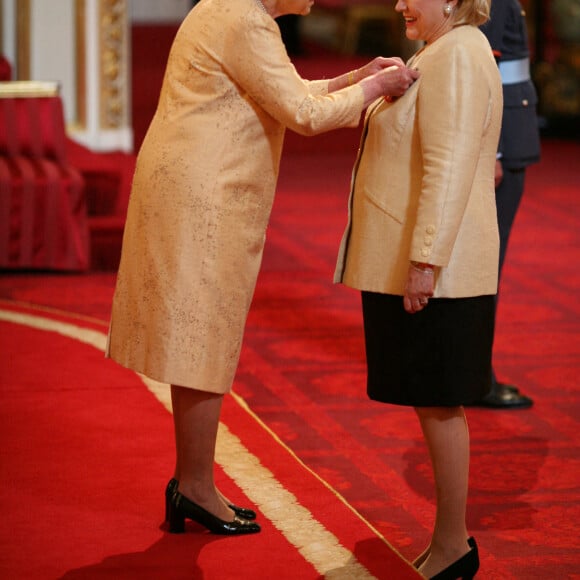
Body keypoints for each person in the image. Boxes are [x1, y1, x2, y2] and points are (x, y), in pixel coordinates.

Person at [106, 0, 418, 536]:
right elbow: (304, 115)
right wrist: (375, 90)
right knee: (203, 340)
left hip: (191, 184)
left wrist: (358, 75)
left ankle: (191, 481)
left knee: (198, 340)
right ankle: (196, 487)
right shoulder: (246, 20)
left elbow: (287, 91)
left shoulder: (229, 9)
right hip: (204, 194)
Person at [334, 0, 501, 576]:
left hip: (441, 270)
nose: (400, 2)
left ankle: (455, 546)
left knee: (439, 402)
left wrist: (425, 260)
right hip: (425, 261)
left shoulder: (456, 54)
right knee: (433, 401)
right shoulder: (440, 47)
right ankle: (447, 544)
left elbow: (448, 166)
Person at [474, 0, 541, 409]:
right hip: (503, 142)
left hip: (510, 135)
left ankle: (475, 372)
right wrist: (493, 153)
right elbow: (484, 72)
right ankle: (478, 377)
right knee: (485, 269)